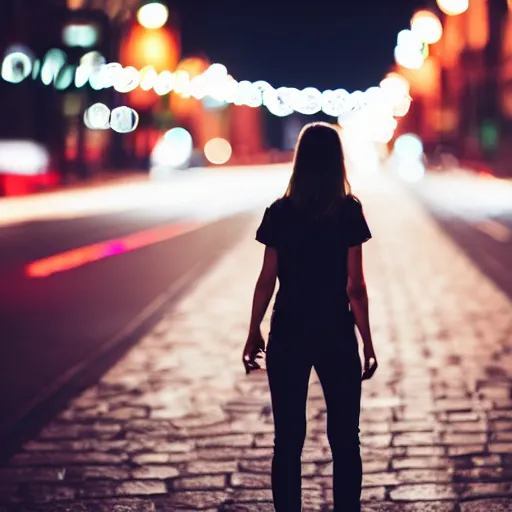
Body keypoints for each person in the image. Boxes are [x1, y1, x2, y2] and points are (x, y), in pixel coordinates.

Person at [242, 122, 378, 511]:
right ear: (337, 162)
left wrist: (254, 330)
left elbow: (266, 279)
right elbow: (356, 286)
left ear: (299, 161)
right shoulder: (349, 211)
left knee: (286, 441)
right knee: (345, 439)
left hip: (288, 331)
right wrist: (367, 341)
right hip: (335, 332)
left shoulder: (280, 212)